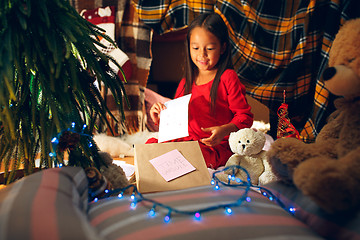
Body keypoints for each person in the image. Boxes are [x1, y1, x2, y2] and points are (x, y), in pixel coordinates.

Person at [148, 12, 254, 169]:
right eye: (195, 48)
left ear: (223, 47)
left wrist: (224, 130)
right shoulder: (185, 82)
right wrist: (160, 117)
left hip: (213, 145)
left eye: (210, 48)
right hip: (187, 141)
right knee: (150, 146)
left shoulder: (227, 77)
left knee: (192, 157)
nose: (202, 55)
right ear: (188, 46)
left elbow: (245, 117)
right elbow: (177, 124)